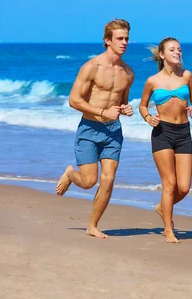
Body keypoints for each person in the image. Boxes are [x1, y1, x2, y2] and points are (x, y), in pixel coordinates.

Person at [55, 18, 135, 239]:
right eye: (120, 38)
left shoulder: (128, 73)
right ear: (107, 40)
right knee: (89, 181)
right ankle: (71, 173)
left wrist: (125, 109)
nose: (124, 42)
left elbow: (122, 101)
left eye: (127, 38)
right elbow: (73, 100)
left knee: (108, 179)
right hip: (89, 129)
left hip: (113, 131)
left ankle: (93, 225)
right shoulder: (91, 67)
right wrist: (101, 112)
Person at [139, 37, 192, 243]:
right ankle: (168, 230)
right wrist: (148, 118)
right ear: (163, 55)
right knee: (169, 184)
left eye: (180, 49)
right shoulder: (153, 81)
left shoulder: (187, 76)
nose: (178, 52)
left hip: (183, 132)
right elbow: (142, 105)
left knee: (184, 187)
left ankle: (161, 207)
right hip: (162, 132)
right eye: (172, 49)